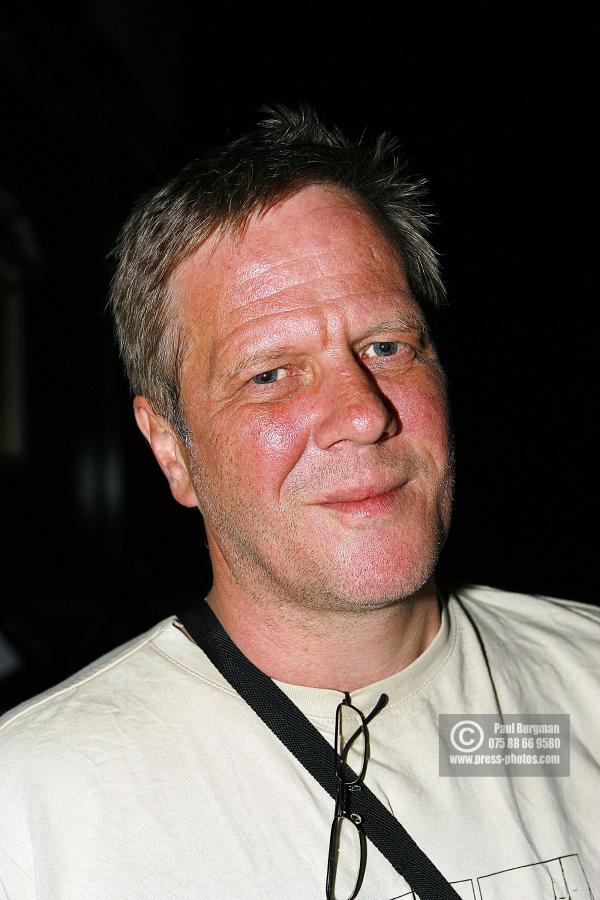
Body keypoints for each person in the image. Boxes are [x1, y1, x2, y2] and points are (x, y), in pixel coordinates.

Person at [0, 105, 598, 900]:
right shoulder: (37, 810)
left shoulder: (586, 684)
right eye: (270, 374)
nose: (362, 412)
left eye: (386, 346)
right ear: (171, 448)